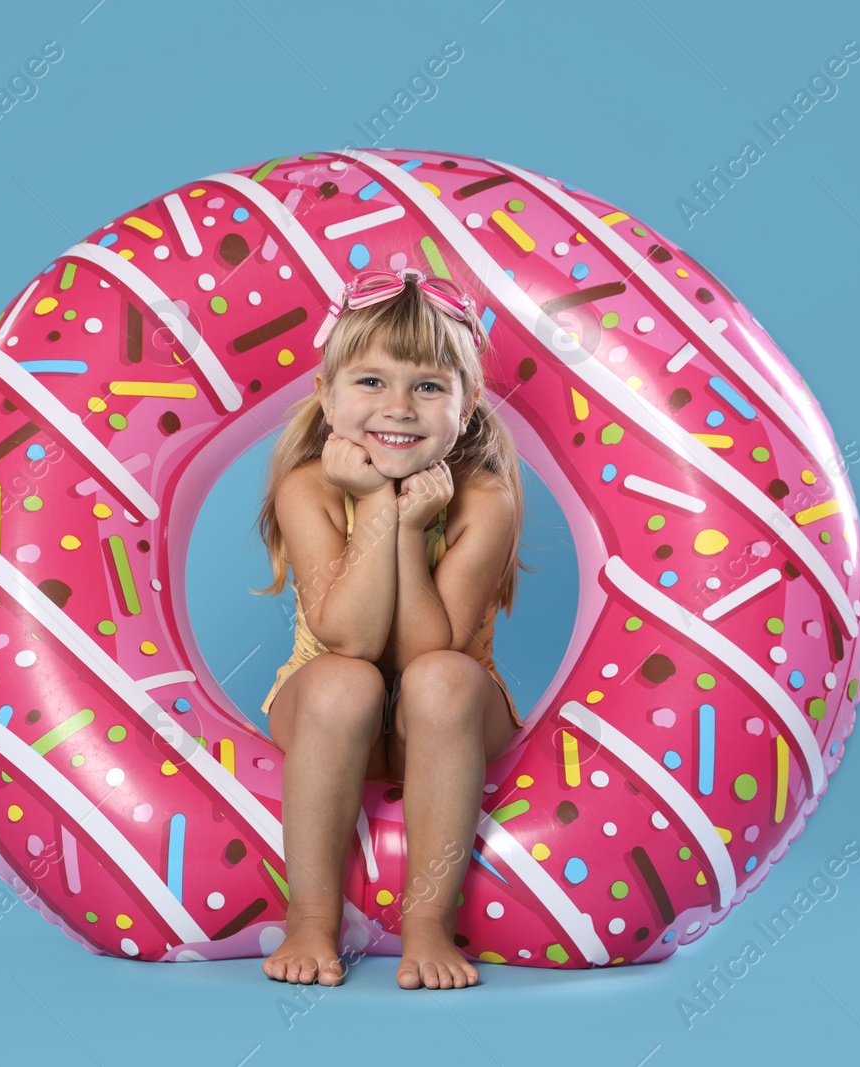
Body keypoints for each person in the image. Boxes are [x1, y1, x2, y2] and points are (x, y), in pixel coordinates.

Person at [247, 265, 532, 990]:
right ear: (327, 396)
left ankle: (428, 922)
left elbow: (424, 649)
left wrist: (409, 528)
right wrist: (374, 503)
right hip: (333, 710)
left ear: (466, 408)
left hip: (446, 718)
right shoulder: (308, 486)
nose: (398, 407)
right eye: (371, 382)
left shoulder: (484, 498)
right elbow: (349, 638)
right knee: (345, 682)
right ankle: (311, 916)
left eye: (428, 386)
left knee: (439, 678)